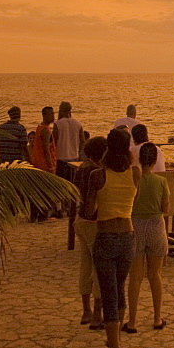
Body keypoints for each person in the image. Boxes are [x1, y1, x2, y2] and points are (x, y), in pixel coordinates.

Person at [83, 128, 140, 348]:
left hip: (105, 236)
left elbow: (88, 211)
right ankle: (114, 339)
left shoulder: (98, 175)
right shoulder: (135, 173)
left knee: (108, 296)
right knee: (119, 289)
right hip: (128, 237)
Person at [124, 143, 169, 334]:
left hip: (136, 225)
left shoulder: (134, 180)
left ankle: (132, 320)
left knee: (135, 277)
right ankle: (157, 317)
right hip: (156, 225)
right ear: (155, 160)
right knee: (155, 274)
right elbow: (165, 208)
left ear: (140, 159)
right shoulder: (161, 182)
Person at [73, 136, 106, 328]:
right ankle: (97, 314)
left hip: (80, 222)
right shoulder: (96, 172)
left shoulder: (81, 169)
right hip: (93, 222)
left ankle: (85, 310)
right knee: (98, 269)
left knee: (85, 267)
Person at [30, 106, 58, 221]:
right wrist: (50, 166)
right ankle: (42, 214)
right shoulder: (45, 130)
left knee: (38, 189)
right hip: (44, 163)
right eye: (51, 114)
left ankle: (35, 214)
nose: (53, 116)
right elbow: (46, 149)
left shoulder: (40, 128)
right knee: (45, 190)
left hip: (37, 161)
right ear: (45, 115)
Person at [53, 101, 85, 182]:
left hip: (61, 158)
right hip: (74, 158)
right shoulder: (78, 124)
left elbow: (54, 142)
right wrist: (77, 151)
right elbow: (82, 141)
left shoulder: (57, 124)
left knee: (61, 182)